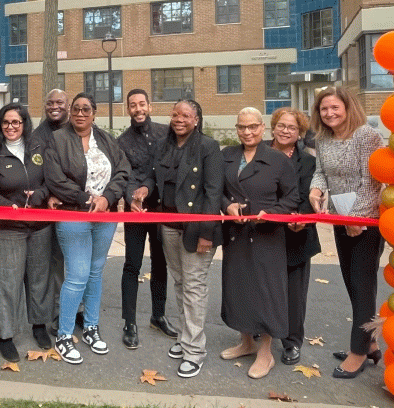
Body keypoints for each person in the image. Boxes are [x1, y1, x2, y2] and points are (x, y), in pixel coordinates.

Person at [45, 93, 130, 364]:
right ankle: (64, 335)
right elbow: (54, 179)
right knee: (78, 275)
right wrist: (87, 199)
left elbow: (122, 171)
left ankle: (91, 327)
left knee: (95, 273)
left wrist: (108, 198)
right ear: (70, 112)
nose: (81, 114)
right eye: (76, 109)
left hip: (104, 217)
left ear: (94, 113)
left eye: (86, 109)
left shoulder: (105, 139)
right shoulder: (57, 140)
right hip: (74, 214)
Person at [308, 87, 384, 379]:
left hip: (367, 222)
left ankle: (359, 352)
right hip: (341, 218)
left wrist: (358, 217)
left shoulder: (367, 136)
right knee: (352, 284)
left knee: (363, 286)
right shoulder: (323, 139)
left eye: (334, 108)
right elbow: (321, 172)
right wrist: (316, 189)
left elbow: (373, 180)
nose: (329, 114)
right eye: (324, 109)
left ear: (348, 107)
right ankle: (371, 341)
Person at [219, 107, 298, 379]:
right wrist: (228, 206)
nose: (247, 132)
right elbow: (216, 191)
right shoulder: (227, 156)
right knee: (238, 288)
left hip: (267, 236)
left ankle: (266, 352)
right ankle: (246, 342)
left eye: (253, 127)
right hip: (236, 235)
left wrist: (272, 215)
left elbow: (291, 198)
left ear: (262, 128)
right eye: (242, 127)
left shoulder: (278, 160)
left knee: (267, 293)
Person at [153, 99, 222, 378]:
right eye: (175, 114)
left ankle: (194, 351)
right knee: (181, 282)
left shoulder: (208, 146)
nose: (179, 119)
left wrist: (207, 232)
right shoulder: (164, 144)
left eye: (185, 115)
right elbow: (154, 179)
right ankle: (184, 338)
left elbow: (213, 191)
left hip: (197, 228)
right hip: (169, 225)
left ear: (196, 120)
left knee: (194, 286)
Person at [0, 104, 53, 362]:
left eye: (17, 122)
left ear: (25, 123)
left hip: (39, 225)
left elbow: (49, 180)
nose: (11, 127)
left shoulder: (38, 148)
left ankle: (39, 325)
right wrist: (5, 206)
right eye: (6, 122)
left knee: (39, 278)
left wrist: (40, 195)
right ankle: (6, 335)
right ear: (0, 125)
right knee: (8, 282)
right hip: (6, 227)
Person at [116, 89, 177, 349]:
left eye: (142, 104)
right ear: (127, 109)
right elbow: (125, 175)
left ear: (149, 106)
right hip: (136, 210)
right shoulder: (123, 141)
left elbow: (168, 167)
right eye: (133, 105)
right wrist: (131, 197)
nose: (138, 109)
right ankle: (129, 322)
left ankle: (158, 315)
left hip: (163, 207)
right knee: (132, 264)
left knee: (160, 263)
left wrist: (148, 189)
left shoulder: (166, 133)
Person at [267, 107, 320, 367]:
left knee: (294, 293)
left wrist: (302, 217)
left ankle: (291, 342)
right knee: (264, 287)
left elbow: (312, 195)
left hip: (297, 235)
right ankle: (262, 330)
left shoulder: (308, 162)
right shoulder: (259, 154)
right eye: (281, 126)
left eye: (292, 128)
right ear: (273, 127)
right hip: (265, 234)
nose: (286, 131)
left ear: (299, 134)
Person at [30, 88, 71, 334]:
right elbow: (37, 172)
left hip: (76, 206)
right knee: (54, 263)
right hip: (49, 207)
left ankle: (76, 310)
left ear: (68, 105)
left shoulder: (76, 130)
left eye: (59, 102)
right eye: (49, 102)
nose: (54, 106)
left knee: (78, 264)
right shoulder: (38, 135)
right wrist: (49, 193)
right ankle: (55, 313)